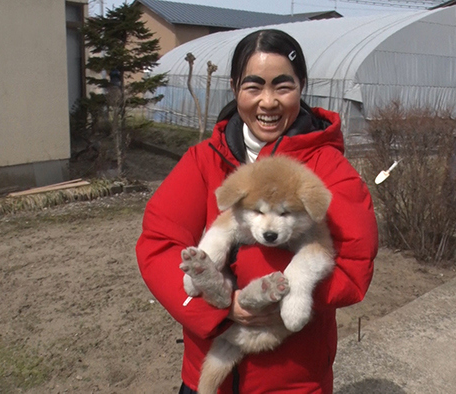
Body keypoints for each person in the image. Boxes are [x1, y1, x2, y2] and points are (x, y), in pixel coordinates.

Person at [136, 29, 378, 394]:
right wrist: (221, 306)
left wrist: (283, 293)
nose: (268, 102)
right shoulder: (203, 160)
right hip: (207, 367)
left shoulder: (326, 167)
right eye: (254, 87)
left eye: (283, 86)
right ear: (234, 88)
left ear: (302, 86)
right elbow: (159, 242)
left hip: (292, 379)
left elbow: (354, 263)